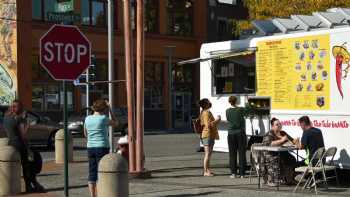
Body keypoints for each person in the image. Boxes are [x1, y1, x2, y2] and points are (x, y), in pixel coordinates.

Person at [3, 100, 44, 192]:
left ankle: (35, 184)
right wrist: (28, 124)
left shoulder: (6, 117)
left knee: (29, 163)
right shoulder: (19, 119)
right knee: (29, 164)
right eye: (20, 107)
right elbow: (23, 134)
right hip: (20, 145)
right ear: (17, 107)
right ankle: (29, 187)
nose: (22, 109)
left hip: (11, 144)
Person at [84, 99, 117, 197]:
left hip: (90, 147)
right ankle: (101, 194)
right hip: (102, 147)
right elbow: (116, 123)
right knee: (101, 171)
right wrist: (110, 108)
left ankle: (92, 195)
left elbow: (86, 134)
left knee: (92, 172)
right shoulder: (103, 118)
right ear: (104, 109)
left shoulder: (87, 118)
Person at [262, 118, 298, 186]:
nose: (279, 126)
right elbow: (269, 144)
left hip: (282, 152)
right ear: (272, 126)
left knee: (292, 159)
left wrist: (295, 141)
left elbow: (292, 141)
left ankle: (289, 179)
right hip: (271, 154)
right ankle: (273, 180)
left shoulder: (283, 133)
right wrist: (281, 141)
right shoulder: (269, 134)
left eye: (280, 124)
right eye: (277, 125)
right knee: (277, 159)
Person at [226, 96, 247, 178]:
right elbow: (248, 112)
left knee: (232, 154)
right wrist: (247, 101)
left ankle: (233, 173)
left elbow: (228, 119)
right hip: (240, 133)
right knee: (242, 153)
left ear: (229, 102)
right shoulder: (241, 109)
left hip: (231, 133)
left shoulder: (227, 111)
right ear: (236, 101)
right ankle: (242, 173)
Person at [199, 98, 221, 176]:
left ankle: (207, 170)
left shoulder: (205, 112)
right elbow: (208, 125)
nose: (210, 103)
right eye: (208, 102)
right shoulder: (206, 113)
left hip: (209, 135)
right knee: (207, 154)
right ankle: (205, 171)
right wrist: (218, 120)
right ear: (205, 104)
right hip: (207, 135)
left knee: (208, 154)